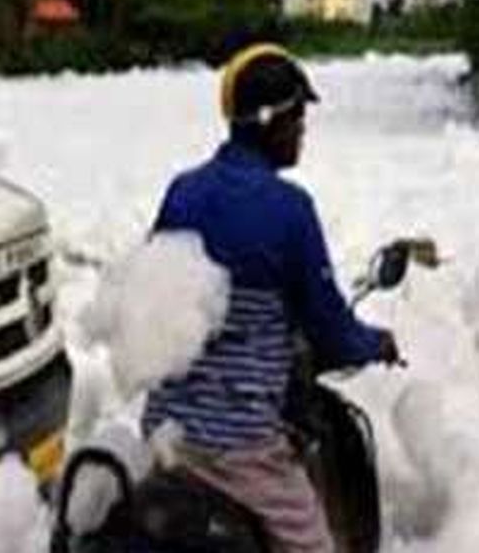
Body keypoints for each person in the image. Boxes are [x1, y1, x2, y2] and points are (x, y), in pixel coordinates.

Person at [141, 43, 399, 553]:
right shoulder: (290, 210)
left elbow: (148, 300)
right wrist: (378, 343)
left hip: (165, 432)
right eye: (298, 119)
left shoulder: (182, 193)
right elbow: (332, 331)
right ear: (270, 122)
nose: (303, 132)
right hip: (237, 450)